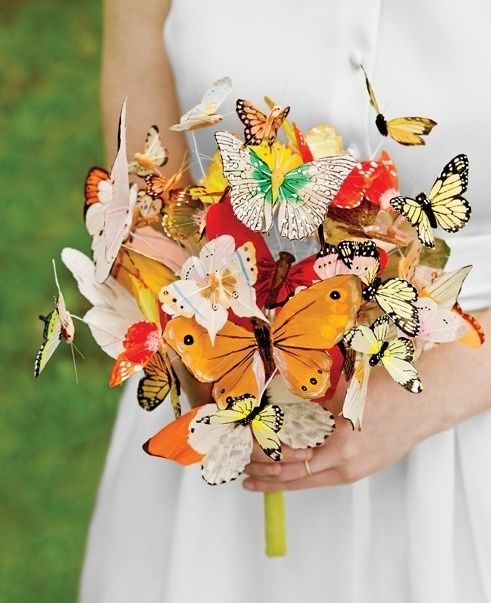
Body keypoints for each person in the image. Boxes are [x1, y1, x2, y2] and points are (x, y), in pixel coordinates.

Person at [80, 1, 491, 601]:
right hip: (223, 380)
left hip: (466, 422)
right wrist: (198, 330)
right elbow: (146, 165)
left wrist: (439, 395)